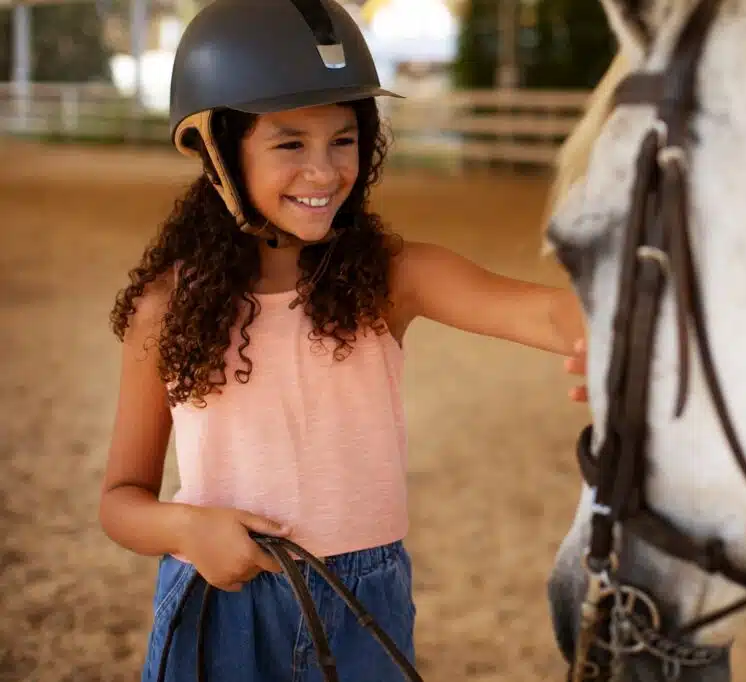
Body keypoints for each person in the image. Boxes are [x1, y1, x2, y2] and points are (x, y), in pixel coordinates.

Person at [97, 0, 589, 680]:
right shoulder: (164, 308)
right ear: (216, 151)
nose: (325, 172)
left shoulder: (392, 277)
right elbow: (120, 500)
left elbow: (551, 315)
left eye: (343, 138)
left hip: (365, 602)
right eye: (290, 144)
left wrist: (622, 338)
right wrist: (186, 529)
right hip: (221, 606)